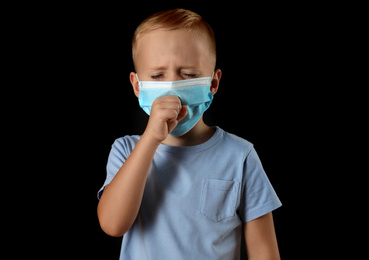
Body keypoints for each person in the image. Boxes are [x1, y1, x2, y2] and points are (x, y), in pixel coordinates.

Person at [97, 8, 282, 259]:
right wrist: (151, 138)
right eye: (157, 75)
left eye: (188, 75)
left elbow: (264, 252)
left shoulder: (241, 156)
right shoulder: (126, 150)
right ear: (137, 85)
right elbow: (113, 225)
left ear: (213, 83)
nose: (172, 87)